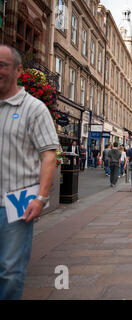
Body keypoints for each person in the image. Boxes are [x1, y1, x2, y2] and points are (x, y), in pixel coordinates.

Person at [0, 45, 59, 299]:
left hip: (17, 201)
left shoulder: (34, 108)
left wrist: (41, 197)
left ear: (18, 70)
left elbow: (49, 154)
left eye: (3, 65)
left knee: (10, 271)